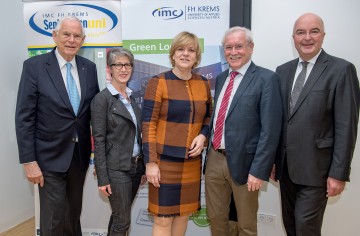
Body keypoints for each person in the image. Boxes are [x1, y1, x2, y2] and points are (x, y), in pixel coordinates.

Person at [272, 13, 360, 236]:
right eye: (301, 32)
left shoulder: (341, 70)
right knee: (291, 226)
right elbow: (278, 122)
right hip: (286, 169)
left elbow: (346, 126)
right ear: (293, 37)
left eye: (314, 31)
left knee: (305, 229)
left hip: (318, 170)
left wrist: (339, 173)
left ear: (323, 35)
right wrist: (273, 162)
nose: (307, 37)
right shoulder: (282, 71)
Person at [15, 16, 99, 235]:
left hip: (79, 157)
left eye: (77, 35)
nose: (71, 40)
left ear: (83, 39)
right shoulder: (34, 66)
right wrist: (28, 160)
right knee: (53, 219)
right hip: (47, 157)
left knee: (72, 216)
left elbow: (94, 112)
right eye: (66, 34)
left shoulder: (88, 68)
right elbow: (24, 116)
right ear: (55, 36)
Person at [204, 26, 282, 236]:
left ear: (251, 48)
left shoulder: (267, 79)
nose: (233, 52)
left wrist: (259, 170)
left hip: (247, 164)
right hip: (214, 159)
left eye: (239, 46)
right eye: (228, 47)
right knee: (216, 219)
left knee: (246, 225)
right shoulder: (221, 79)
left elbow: (270, 129)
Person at [142, 31, 212, 236]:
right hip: (163, 163)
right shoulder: (158, 82)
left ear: (196, 57)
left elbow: (209, 117)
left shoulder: (203, 84)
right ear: (173, 54)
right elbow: (148, 125)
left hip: (191, 162)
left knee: (183, 216)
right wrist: (151, 162)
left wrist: (203, 135)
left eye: (191, 50)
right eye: (180, 49)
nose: (185, 54)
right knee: (163, 221)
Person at [91, 47, 146, 236]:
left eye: (128, 65)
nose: (123, 69)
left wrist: (144, 167)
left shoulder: (131, 98)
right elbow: (98, 140)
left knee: (118, 218)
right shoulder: (102, 100)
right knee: (122, 221)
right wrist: (103, 178)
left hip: (135, 168)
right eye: (118, 65)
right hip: (116, 169)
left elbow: (138, 135)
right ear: (110, 69)